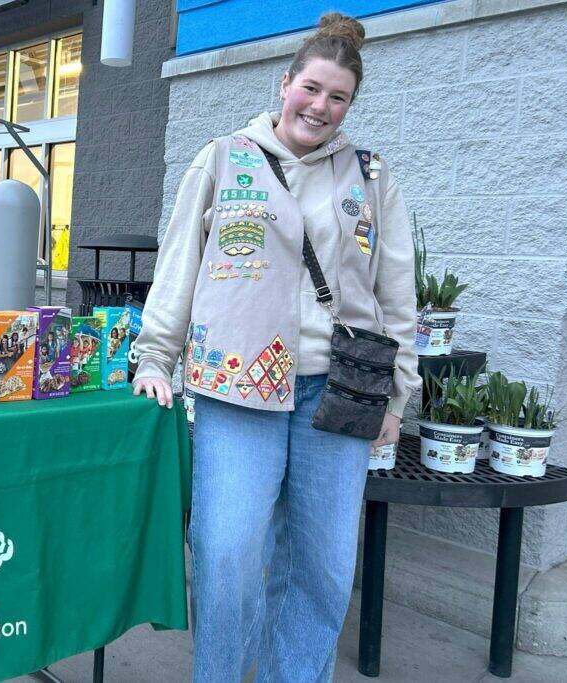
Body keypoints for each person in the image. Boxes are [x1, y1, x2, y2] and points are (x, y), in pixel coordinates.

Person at [131, 13, 420, 682]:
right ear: (285, 83)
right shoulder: (223, 158)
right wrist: (155, 356)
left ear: (350, 104)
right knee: (225, 552)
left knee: (322, 567)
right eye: (311, 88)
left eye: (338, 97)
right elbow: (179, 265)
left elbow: (397, 292)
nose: (320, 106)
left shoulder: (371, 178)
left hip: (339, 394)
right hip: (237, 388)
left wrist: (398, 397)